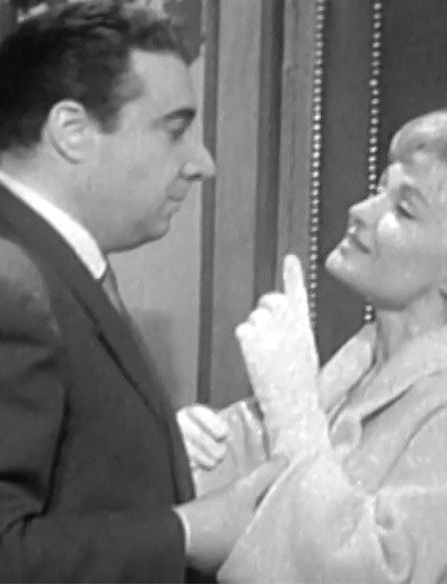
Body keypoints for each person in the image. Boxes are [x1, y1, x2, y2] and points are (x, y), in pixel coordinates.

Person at [0, 0, 284, 583]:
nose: (201, 163)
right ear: (72, 131)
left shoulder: (28, 258)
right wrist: (187, 531)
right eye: (175, 131)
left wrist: (150, 450)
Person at [185, 109, 447, 582]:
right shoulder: (353, 369)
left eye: (404, 209)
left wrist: (293, 408)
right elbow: (246, 472)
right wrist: (188, 444)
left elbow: (373, 574)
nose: (361, 211)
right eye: (379, 189)